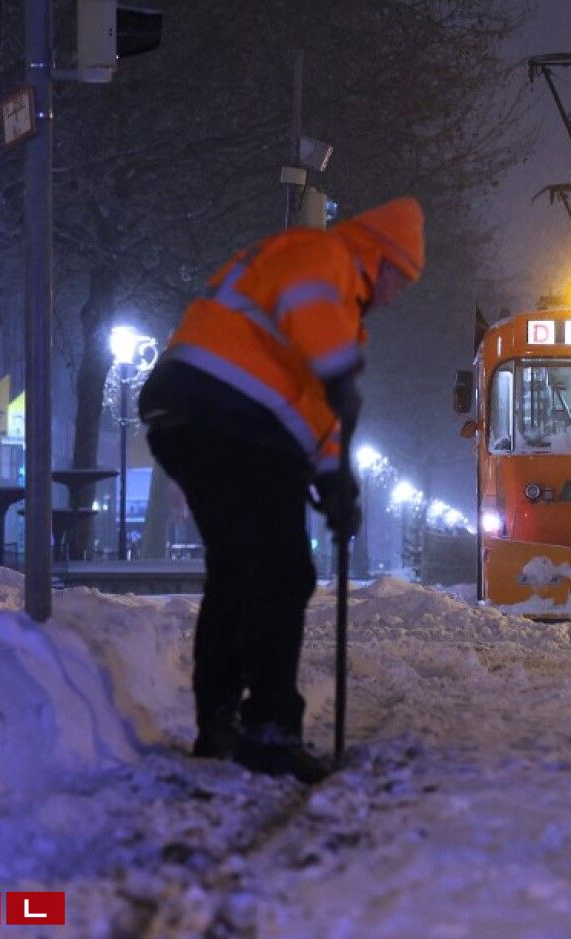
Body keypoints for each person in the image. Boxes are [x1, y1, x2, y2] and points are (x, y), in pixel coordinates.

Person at [138, 198, 425, 783]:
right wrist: (342, 370)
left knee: (239, 568)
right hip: (227, 414)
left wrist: (334, 479)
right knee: (281, 572)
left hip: (199, 415)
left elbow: (314, 408)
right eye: (400, 279)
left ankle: (218, 718)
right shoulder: (324, 258)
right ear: (384, 259)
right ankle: (269, 730)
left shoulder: (335, 307)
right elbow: (312, 323)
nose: (395, 295)